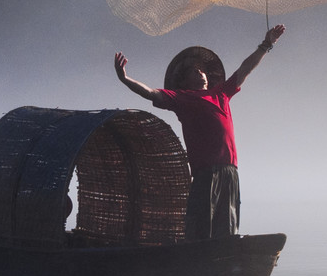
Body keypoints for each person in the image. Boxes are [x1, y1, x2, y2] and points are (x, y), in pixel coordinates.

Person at [114, 25, 285, 241]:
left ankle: (225, 261)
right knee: (201, 228)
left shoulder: (221, 93)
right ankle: (195, 261)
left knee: (227, 228)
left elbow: (245, 69)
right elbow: (150, 93)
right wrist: (125, 79)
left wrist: (266, 44)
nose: (199, 72)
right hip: (205, 173)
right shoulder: (180, 98)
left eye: (201, 69)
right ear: (184, 82)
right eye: (192, 71)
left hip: (229, 171)